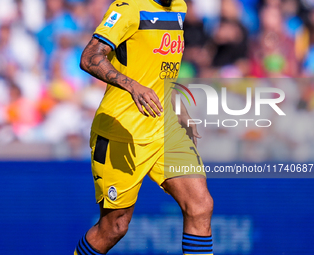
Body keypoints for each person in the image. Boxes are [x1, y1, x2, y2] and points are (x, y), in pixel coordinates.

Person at [75, 0, 214, 254]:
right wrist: (132, 85)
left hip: (165, 127)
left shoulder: (179, 8)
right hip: (121, 132)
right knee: (114, 228)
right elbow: (89, 56)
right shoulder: (127, 7)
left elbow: (159, 70)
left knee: (200, 205)